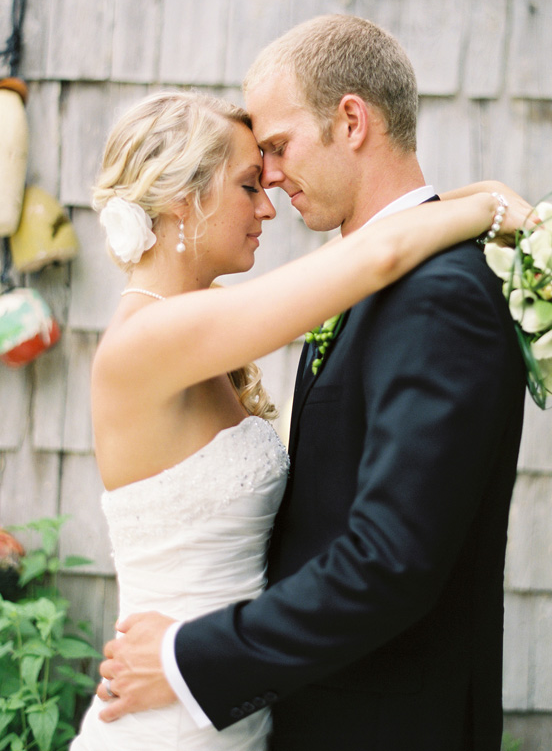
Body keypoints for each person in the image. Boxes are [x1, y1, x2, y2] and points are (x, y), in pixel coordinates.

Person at [71, 79, 529, 751]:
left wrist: (463, 199)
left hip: (230, 698)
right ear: (181, 198)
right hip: (169, 710)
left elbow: (373, 245)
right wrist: (490, 203)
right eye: (249, 184)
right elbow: (378, 254)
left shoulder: (194, 331)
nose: (268, 206)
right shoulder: (147, 341)